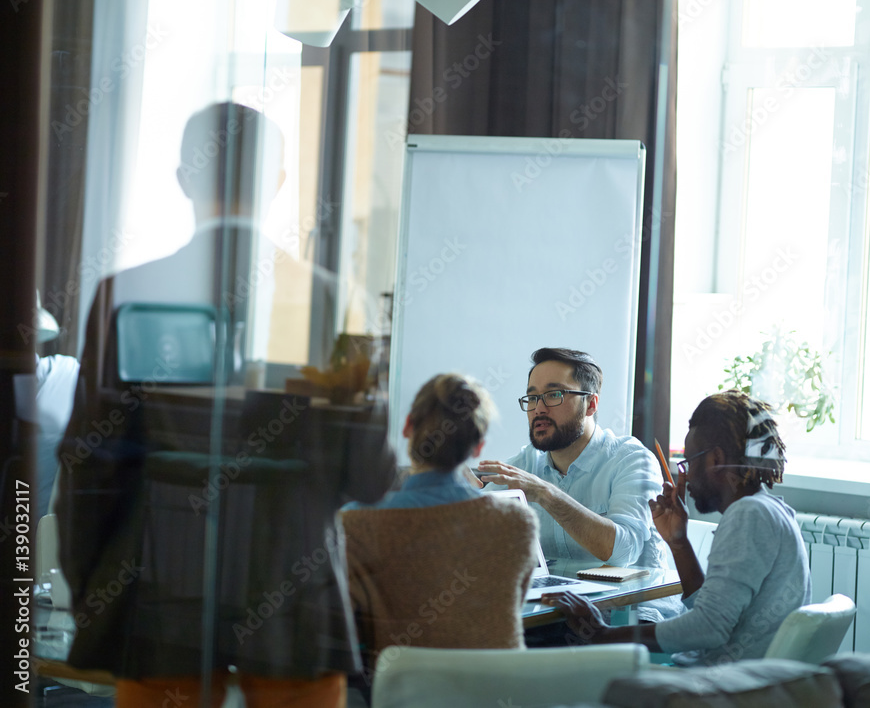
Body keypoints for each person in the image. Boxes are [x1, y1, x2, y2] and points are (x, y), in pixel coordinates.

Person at [56, 102, 396, 707]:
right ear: (277, 183)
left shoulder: (124, 293)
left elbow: (91, 464)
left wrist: (94, 597)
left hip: (162, 592)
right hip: (296, 596)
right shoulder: (334, 300)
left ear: (185, 177)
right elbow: (370, 477)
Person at [542, 390, 811, 666]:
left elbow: (708, 628)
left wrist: (603, 634)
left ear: (715, 459)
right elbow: (711, 612)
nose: (686, 475)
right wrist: (678, 542)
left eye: (690, 462)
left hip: (724, 686)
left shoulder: (748, 515)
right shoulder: (771, 510)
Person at [341, 373, 538, 687]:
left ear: (407, 427)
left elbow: (347, 631)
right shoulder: (517, 522)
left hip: (407, 695)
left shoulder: (355, 524)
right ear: (478, 448)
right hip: (498, 694)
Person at [478, 347, 668, 572]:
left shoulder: (632, 461)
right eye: (532, 397)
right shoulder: (526, 463)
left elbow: (623, 552)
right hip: (554, 601)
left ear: (591, 404)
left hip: (629, 603)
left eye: (554, 395)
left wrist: (546, 494)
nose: (538, 408)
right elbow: (471, 532)